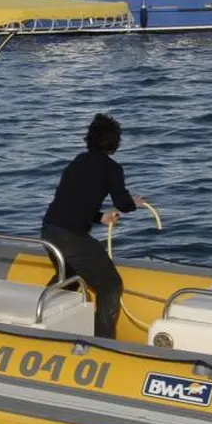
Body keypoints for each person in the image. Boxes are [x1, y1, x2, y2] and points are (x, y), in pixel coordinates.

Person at [40, 113, 147, 340]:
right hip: (71, 237)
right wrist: (133, 204)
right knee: (111, 285)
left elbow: (72, 202)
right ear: (115, 142)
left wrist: (100, 218)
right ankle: (104, 343)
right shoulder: (112, 169)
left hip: (49, 230)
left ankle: (39, 322)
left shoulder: (78, 161)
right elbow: (123, 203)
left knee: (68, 277)